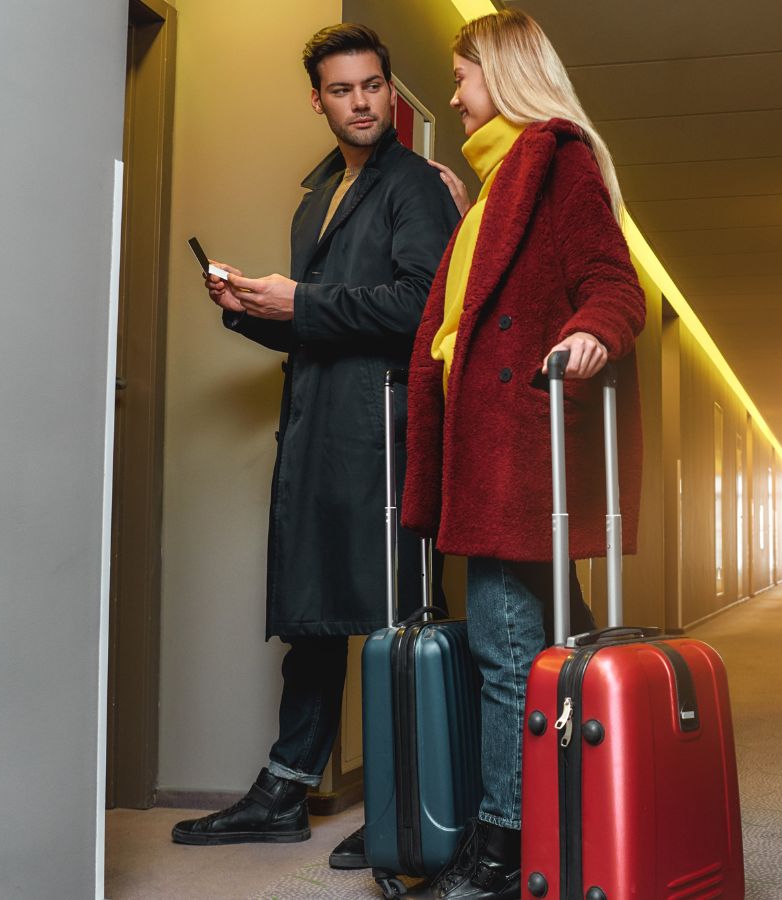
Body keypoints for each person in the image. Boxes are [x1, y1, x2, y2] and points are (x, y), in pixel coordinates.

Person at [171, 23, 459, 870]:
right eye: (343, 90)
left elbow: (418, 308)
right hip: (317, 431)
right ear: (319, 101)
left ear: (389, 90)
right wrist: (250, 308)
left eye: (372, 86)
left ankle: (409, 800)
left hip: (383, 429)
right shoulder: (320, 194)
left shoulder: (415, 188)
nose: (361, 102)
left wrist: (300, 300)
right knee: (315, 616)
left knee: (388, 615)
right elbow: (320, 326)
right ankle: (286, 789)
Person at [400, 10, 645, 900]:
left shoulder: (556, 158)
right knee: (548, 652)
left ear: (498, 75)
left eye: (461, 76)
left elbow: (614, 283)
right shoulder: (499, 186)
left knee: (507, 651)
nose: (455, 95)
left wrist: (588, 334)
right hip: (495, 450)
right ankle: (555, 824)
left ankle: (503, 849)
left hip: (521, 452)